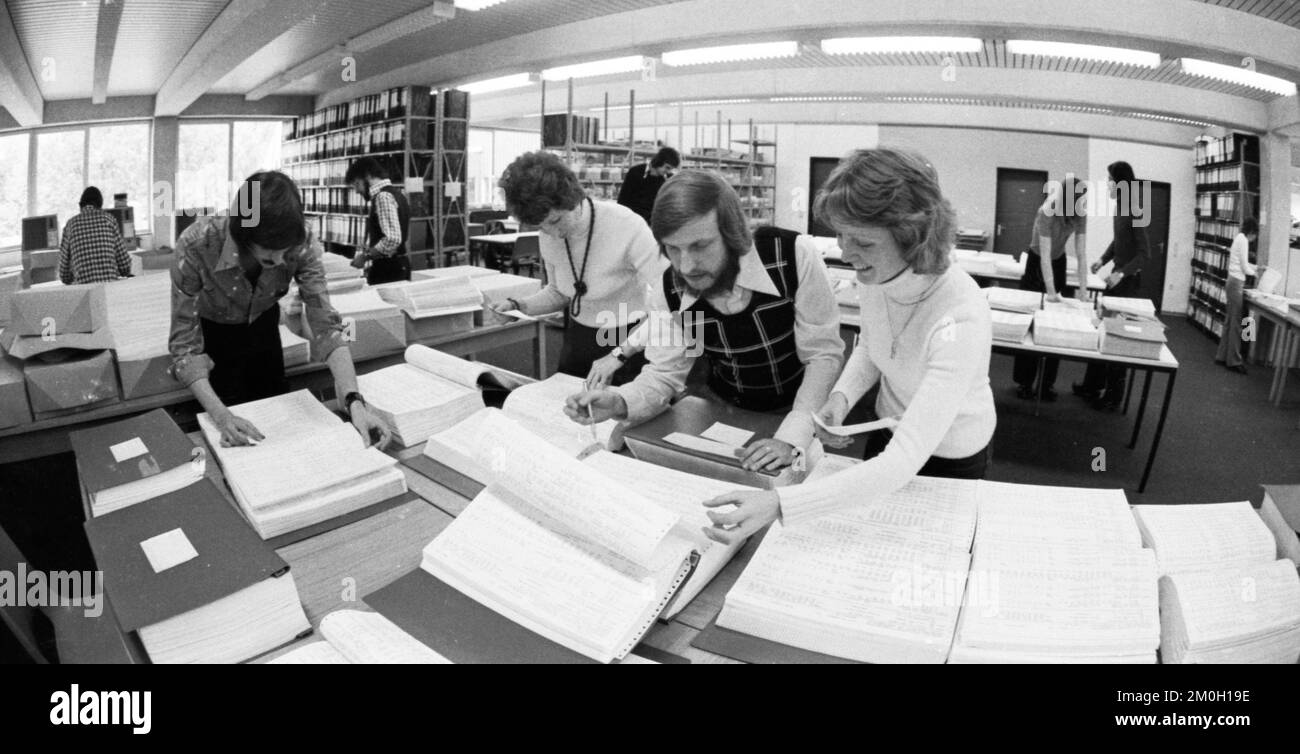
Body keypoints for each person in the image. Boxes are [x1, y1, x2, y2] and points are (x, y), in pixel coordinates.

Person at [686, 148, 996, 544]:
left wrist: (782, 504)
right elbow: (873, 346)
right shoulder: (881, 276)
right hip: (888, 432)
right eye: (841, 236)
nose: (847, 254)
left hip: (952, 455)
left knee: (926, 551)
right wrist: (841, 399)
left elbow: (905, 460)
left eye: (862, 242)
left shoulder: (960, 316)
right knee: (875, 538)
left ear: (912, 235)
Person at [563, 169, 844, 473]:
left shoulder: (792, 256)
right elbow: (664, 373)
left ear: (733, 233)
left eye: (700, 246)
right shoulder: (670, 291)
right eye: (672, 248)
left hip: (799, 407)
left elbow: (821, 356)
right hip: (723, 407)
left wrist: (792, 437)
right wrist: (619, 400)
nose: (686, 266)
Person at [169, 171, 389, 449]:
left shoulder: (302, 240)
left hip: (264, 329)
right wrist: (222, 416)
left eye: (286, 251)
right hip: (214, 337)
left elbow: (327, 325)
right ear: (244, 234)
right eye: (270, 251)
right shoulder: (196, 244)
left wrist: (354, 402)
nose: (281, 259)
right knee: (232, 440)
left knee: (278, 429)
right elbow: (184, 347)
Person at [489, 151, 662, 386]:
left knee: (625, 415)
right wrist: (519, 306)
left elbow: (671, 300)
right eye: (541, 227)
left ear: (573, 199)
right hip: (579, 336)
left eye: (556, 221)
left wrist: (619, 354)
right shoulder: (548, 233)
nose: (553, 233)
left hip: (630, 338)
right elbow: (559, 292)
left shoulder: (626, 224)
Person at [1075, 161, 1152, 408]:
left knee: (1116, 338)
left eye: (1109, 179)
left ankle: (1113, 398)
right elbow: (1118, 241)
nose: (1106, 183)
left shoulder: (1137, 208)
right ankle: (1092, 386)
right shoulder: (1121, 206)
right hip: (1117, 279)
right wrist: (1103, 259)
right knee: (1102, 331)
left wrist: (1122, 274)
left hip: (1127, 284)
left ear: (1119, 183)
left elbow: (1144, 254)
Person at [1011, 176, 1089, 401]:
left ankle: (1046, 384)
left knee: (1057, 321)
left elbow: (1082, 254)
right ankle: (1025, 382)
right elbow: (1044, 257)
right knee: (1033, 320)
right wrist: (1052, 293)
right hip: (1037, 262)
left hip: (1059, 260)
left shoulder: (1080, 213)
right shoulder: (1047, 211)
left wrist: (1083, 291)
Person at [345, 157, 411, 285]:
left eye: (357, 184)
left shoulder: (383, 197)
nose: (357, 191)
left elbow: (392, 239)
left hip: (389, 269)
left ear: (368, 176)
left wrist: (365, 256)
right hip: (396, 266)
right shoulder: (396, 193)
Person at [1213, 216, 1259, 375]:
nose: (1254, 239)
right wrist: (1256, 273)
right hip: (1236, 283)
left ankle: (1221, 355)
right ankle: (1234, 361)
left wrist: (1257, 267)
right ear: (1252, 232)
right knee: (1237, 323)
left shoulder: (1238, 238)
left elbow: (1241, 263)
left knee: (1229, 321)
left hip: (1231, 281)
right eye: (1255, 235)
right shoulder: (1244, 240)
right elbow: (1244, 267)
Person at [58, 186, 131, 285]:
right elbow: (125, 266)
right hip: (110, 291)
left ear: (80, 205)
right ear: (100, 205)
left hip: (84, 293)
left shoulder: (70, 225)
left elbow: (64, 275)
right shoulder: (109, 220)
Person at [617, 147, 681, 225]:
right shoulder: (636, 172)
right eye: (667, 167)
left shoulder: (668, 179)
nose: (668, 171)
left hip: (655, 224)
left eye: (671, 169)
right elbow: (623, 201)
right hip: (634, 222)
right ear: (659, 161)